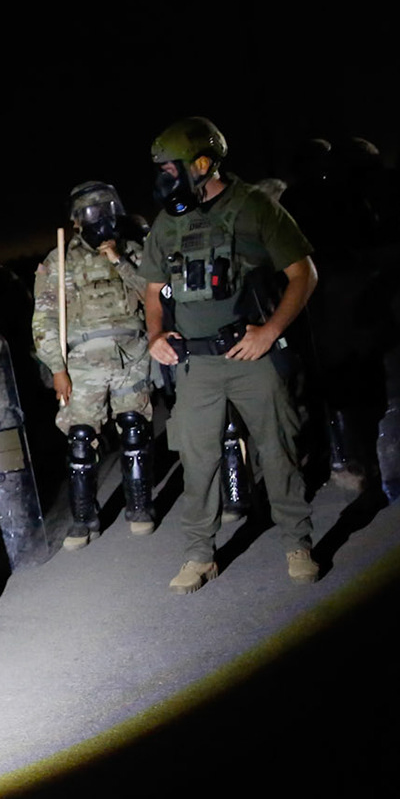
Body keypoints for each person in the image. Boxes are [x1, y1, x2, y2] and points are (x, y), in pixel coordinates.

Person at [140, 118, 321, 593]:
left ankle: (297, 543)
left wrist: (270, 331)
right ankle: (199, 555)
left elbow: (304, 274)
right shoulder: (167, 222)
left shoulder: (254, 207)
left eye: (171, 168)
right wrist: (156, 333)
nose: (165, 178)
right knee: (197, 461)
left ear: (202, 163)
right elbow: (153, 290)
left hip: (251, 355)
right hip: (195, 364)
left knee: (278, 448)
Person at [32, 181, 158, 549]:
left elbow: (153, 295)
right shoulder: (61, 260)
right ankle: (84, 518)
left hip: (130, 355)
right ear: (76, 221)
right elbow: (44, 319)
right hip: (83, 363)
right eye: (91, 213)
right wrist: (56, 368)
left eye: (105, 211)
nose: (99, 219)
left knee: (134, 429)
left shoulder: (131, 250)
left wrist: (119, 260)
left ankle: (140, 508)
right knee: (80, 440)